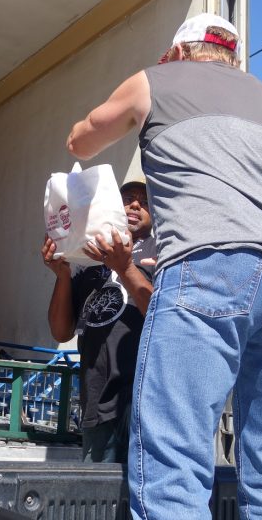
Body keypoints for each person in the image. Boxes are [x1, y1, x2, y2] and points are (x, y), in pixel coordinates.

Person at [65, 13, 262, 519]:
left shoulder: (155, 80)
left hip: (210, 264)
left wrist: (81, 134)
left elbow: (84, 139)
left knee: (174, 461)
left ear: (179, 51)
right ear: (231, 56)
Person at [41, 177, 156, 464]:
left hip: (143, 402)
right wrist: (63, 274)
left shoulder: (162, 252)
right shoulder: (86, 257)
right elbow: (60, 329)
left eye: (144, 202)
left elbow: (161, 315)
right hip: (96, 400)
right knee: (98, 499)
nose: (134, 205)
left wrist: (125, 267)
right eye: (127, 199)